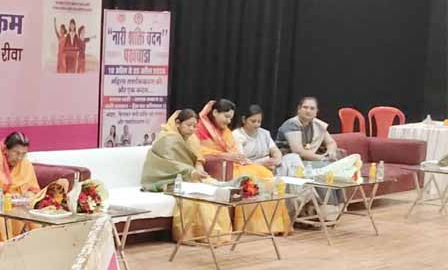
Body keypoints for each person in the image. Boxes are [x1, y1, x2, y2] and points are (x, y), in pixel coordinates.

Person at [196, 99, 290, 234]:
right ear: (215, 112)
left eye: (230, 118)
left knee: (266, 175)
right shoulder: (200, 129)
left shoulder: (226, 131)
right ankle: (252, 225)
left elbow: (235, 152)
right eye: (226, 117)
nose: (229, 121)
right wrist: (225, 156)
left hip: (233, 165)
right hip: (217, 168)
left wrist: (235, 157)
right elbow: (200, 152)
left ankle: (271, 225)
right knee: (249, 177)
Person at [140, 109, 231, 242]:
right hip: (165, 178)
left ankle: (216, 233)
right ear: (177, 123)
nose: (192, 129)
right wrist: (191, 172)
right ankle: (193, 235)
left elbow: (197, 158)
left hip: (188, 176)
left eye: (194, 126)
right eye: (188, 125)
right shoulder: (167, 138)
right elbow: (169, 164)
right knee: (192, 198)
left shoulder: (192, 138)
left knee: (213, 191)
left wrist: (199, 168)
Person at [275, 96, 342, 175]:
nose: (308, 111)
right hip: (290, 160)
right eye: (305, 107)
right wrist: (322, 158)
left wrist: (330, 153)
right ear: (299, 109)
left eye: (312, 108)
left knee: (339, 153)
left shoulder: (318, 124)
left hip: (310, 159)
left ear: (316, 111)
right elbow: (298, 151)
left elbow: (331, 143)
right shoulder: (292, 124)